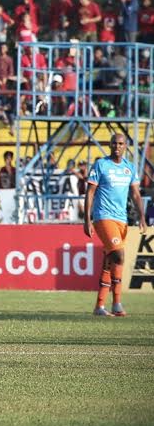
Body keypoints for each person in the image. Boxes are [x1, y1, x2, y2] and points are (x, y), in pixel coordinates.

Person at [84, 133, 146, 317]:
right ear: (109, 145)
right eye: (114, 143)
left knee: (110, 261)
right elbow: (90, 192)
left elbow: (135, 194)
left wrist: (142, 216)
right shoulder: (101, 165)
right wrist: (87, 219)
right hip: (103, 216)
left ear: (125, 146)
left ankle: (100, 306)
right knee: (119, 255)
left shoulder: (129, 168)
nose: (117, 146)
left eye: (120, 143)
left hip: (122, 219)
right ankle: (117, 302)